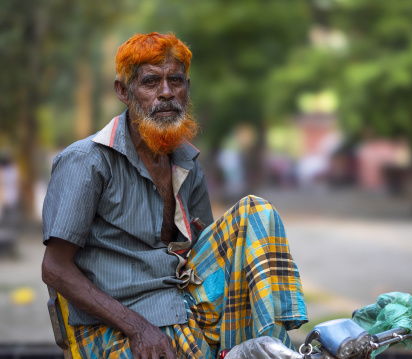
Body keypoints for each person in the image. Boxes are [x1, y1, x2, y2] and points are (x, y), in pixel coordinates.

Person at [41, 32, 307, 359]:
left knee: (256, 212)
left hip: (185, 308)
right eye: (151, 82)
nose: (166, 93)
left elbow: (204, 257)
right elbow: (54, 269)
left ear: (187, 88)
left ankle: (271, 348)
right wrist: (138, 328)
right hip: (116, 327)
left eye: (176, 81)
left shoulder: (187, 163)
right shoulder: (88, 161)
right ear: (123, 91)